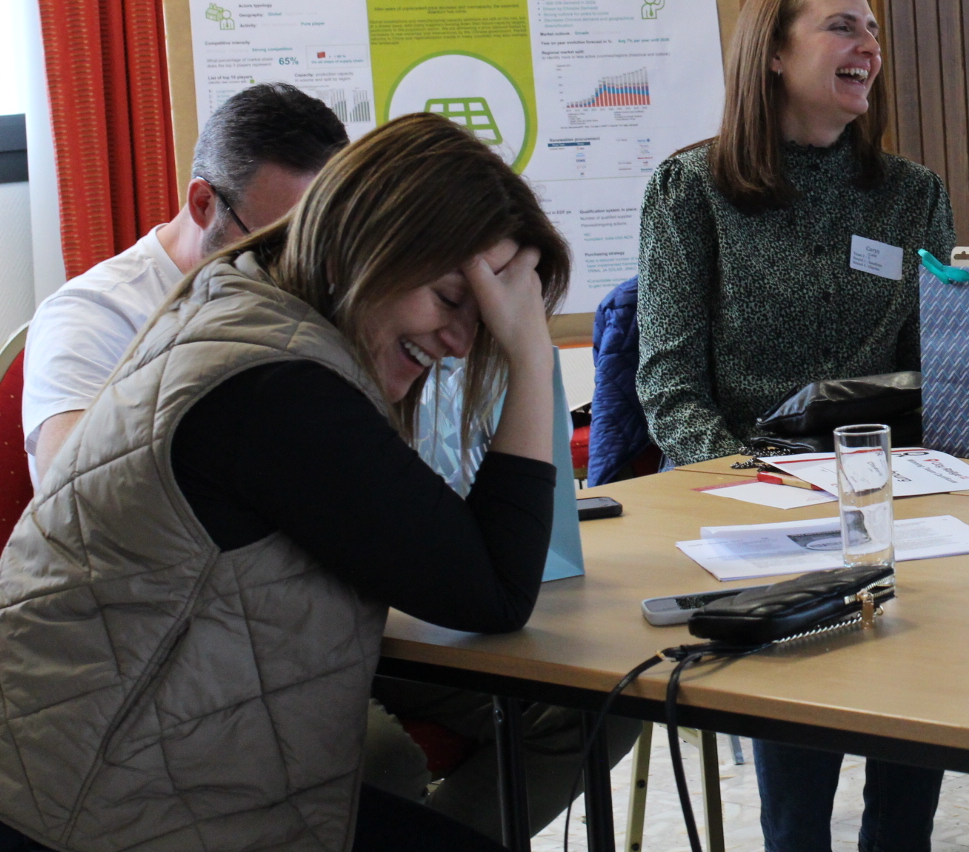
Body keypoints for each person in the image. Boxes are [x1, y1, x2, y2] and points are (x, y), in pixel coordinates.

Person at [0, 112, 573, 852]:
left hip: (106, 777)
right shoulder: (281, 388)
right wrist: (531, 356)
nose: (463, 343)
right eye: (448, 298)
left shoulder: (246, 315)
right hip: (97, 810)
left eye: (487, 321)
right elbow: (494, 590)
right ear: (364, 247)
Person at [634, 0, 955, 852]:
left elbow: (934, 370)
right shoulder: (691, 190)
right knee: (805, 673)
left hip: (887, 489)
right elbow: (668, 386)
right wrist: (753, 480)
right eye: (843, 26)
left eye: (873, 30)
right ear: (773, 53)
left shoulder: (913, 195)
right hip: (743, 495)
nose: (868, 46)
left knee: (927, 653)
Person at [20, 82, 346, 486]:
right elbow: (74, 489)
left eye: (311, 244)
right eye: (270, 245)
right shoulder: (93, 312)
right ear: (203, 204)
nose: (291, 267)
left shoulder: (301, 291)